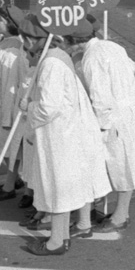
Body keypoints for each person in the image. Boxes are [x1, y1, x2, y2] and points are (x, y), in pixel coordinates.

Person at [64, 18, 135, 233]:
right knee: (128, 163)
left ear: (74, 41)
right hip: (133, 107)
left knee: (119, 165)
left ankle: (120, 216)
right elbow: (132, 66)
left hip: (114, 116)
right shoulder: (112, 46)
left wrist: (100, 126)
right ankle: (119, 212)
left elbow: (100, 97)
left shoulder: (91, 59)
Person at [17, 14, 112, 255]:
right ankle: (63, 236)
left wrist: (28, 107)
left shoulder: (51, 63)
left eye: (26, 39)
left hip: (61, 134)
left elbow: (49, 106)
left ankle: (57, 242)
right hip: (67, 131)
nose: (25, 44)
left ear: (32, 40)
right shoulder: (58, 56)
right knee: (63, 186)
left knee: (58, 186)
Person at [0, 5, 30, 205]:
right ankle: (16, 182)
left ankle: (11, 186)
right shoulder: (5, 44)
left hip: (3, 110)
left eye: (1, 20)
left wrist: (7, 118)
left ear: (10, 24)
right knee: (9, 150)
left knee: (10, 150)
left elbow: (10, 88)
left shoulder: (12, 52)